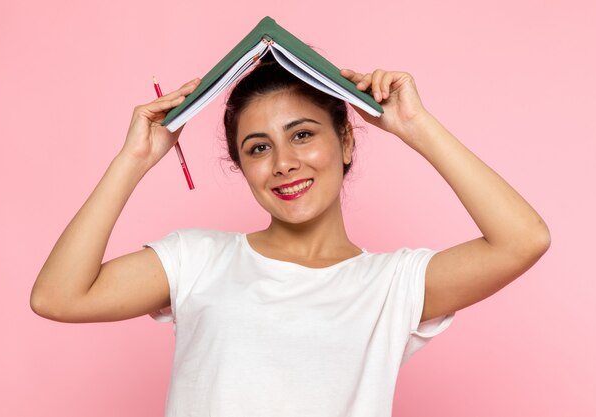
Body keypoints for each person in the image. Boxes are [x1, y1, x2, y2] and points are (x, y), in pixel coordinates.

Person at [30, 55, 550, 416]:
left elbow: (523, 239)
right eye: (258, 148)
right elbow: (58, 296)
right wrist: (134, 160)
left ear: (346, 140)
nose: (284, 163)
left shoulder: (392, 284)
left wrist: (416, 126)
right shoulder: (196, 259)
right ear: (241, 166)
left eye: (302, 134)